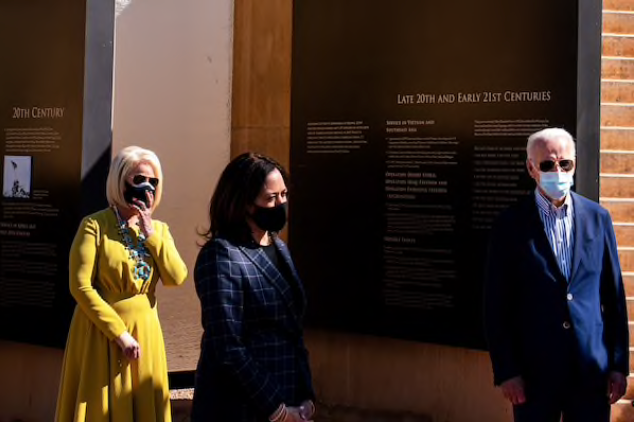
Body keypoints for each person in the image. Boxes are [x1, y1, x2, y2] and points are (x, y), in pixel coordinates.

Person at [484, 128, 629, 422]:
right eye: (548, 165)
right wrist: (507, 371)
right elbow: (496, 306)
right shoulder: (509, 226)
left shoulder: (597, 218)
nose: (558, 171)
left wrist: (618, 364)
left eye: (565, 164)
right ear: (531, 168)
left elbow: (613, 297)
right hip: (533, 377)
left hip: (590, 374)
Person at [55, 146, 188, 422]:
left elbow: (177, 277)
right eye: (139, 180)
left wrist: (151, 235)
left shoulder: (160, 230)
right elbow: (79, 286)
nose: (147, 188)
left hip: (145, 331)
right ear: (120, 181)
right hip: (100, 332)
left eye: (153, 182)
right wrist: (119, 333)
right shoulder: (94, 225)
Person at [192, 152, 316, 422]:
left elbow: (294, 332)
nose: (280, 204)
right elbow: (228, 345)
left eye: (283, 194)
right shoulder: (221, 255)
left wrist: (306, 395)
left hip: (289, 395)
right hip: (240, 406)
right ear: (245, 204)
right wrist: (278, 410)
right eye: (271, 198)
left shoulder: (279, 248)